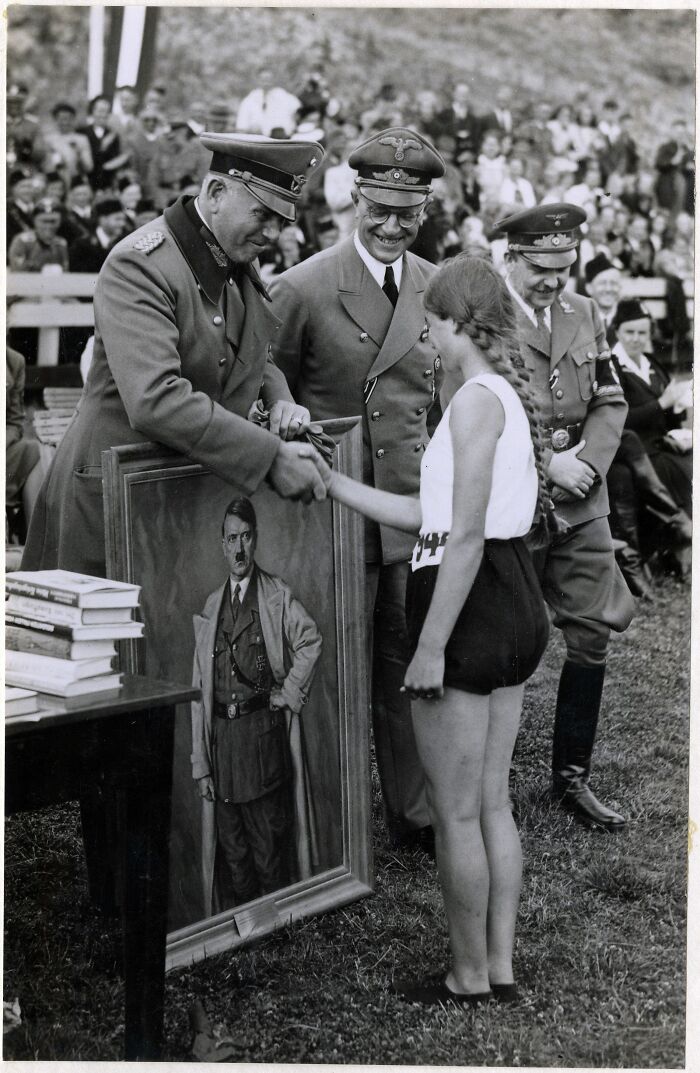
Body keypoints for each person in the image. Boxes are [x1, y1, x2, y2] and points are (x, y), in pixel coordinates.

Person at [322, 253, 550, 1004]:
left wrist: (428, 647)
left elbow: (464, 536)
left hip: (467, 602)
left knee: (455, 812)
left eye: (430, 326)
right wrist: (334, 484)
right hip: (510, 597)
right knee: (490, 801)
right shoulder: (497, 396)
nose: (426, 339)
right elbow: (433, 515)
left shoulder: (475, 402)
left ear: (456, 324)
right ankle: (499, 966)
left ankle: (468, 974)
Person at [22, 132, 329, 583]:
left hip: (181, 489)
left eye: (281, 222)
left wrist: (280, 397)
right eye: (262, 214)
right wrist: (270, 457)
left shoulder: (229, 250)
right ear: (216, 192)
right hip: (113, 495)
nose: (272, 234)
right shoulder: (140, 264)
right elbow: (156, 399)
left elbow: (251, 349)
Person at [270, 127, 446, 854]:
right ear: (353, 200)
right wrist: (283, 406)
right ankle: (331, 825)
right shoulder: (304, 285)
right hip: (335, 511)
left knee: (406, 663)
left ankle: (415, 811)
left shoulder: (438, 287)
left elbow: (446, 400)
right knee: (333, 664)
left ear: (426, 210)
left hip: (410, 510)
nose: (393, 226)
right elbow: (265, 371)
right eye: (380, 210)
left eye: (409, 213)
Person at [499, 202, 635, 830]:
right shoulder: (485, 317)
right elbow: (468, 408)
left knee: (592, 631)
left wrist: (589, 465)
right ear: (511, 259)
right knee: (505, 639)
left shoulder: (584, 311)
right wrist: (546, 463)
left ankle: (572, 779)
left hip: (582, 500)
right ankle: (491, 780)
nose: (554, 281)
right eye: (541, 268)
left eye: (564, 267)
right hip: (513, 500)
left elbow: (610, 397)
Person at [191, 497, 322, 915]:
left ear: (256, 539)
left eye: (246, 537)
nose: (239, 548)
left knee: (268, 857)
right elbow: (199, 692)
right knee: (234, 860)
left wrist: (290, 691)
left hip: (263, 750)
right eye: (232, 539)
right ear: (222, 544)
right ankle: (244, 942)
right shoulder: (212, 607)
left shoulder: (275, 596)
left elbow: (309, 641)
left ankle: (277, 939)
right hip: (224, 755)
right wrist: (202, 765)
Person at [610, 299, 692, 521]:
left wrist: (678, 405)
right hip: (638, 452)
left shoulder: (651, 363)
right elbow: (617, 418)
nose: (636, 338)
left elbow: (670, 417)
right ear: (617, 331)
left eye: (642, 333)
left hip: (664, 445)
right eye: (630, 332)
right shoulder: (611, 366)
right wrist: (662, 404)